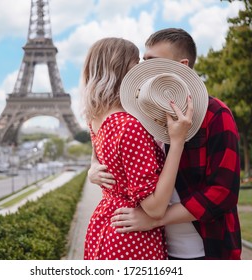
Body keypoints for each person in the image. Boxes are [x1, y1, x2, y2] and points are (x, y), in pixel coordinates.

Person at [88, 28, 242, 260]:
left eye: (153, 63)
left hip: (204, 249)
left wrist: (155, 218)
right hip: (154, 247)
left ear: (183, 66)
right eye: (143, 62)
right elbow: (104, 139)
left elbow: (223, 192)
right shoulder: (139, 112)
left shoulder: (216, 115)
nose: (142, 70)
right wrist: (92, 167)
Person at [81, 37, 193, 260]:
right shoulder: (129, 125)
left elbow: (104, 161)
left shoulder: (96, 119)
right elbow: (154, 208)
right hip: (131, 238)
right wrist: (178, 141)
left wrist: (92, 168)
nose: (142, 74)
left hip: (105, 227)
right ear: (122, 71)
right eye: (136, 66)